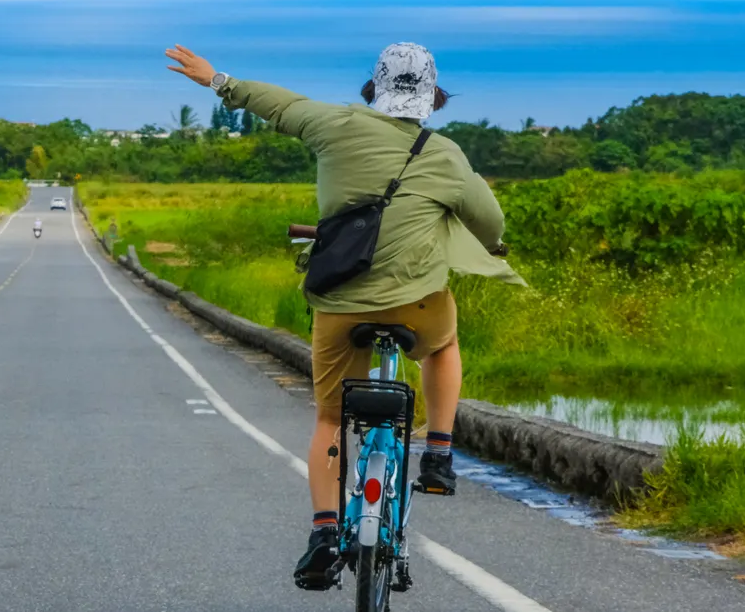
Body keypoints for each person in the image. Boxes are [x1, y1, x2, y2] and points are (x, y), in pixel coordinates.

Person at [165, 41, 525, 591]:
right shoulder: (447, 155)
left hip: (339, 304)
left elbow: (277, 103)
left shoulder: (334, 125)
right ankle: (440, 452)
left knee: (332, 419)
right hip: (418, 304)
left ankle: (325, 531)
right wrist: (493, 247)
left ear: (372, 89)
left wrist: (217, 81)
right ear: (433, 96)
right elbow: (491, 222)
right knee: (444, 343)